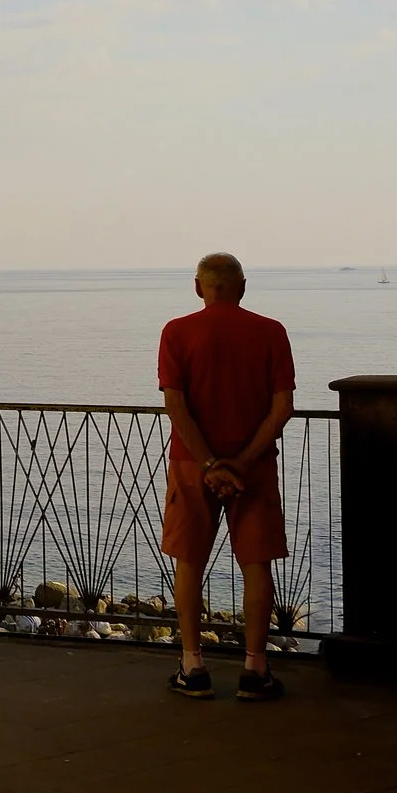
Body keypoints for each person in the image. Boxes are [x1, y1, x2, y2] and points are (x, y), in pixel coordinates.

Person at [157, 253, 294, 700]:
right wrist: (241, 462)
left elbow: (175, 406)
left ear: (199, 287)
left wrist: (211, 463)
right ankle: (255, 669)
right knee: (256, 564)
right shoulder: (271, 332)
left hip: (191, 465)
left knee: (189, 562)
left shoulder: (176, 332)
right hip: (254, 469)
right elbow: (282, 409)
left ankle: (193, 666)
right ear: (243, 286)